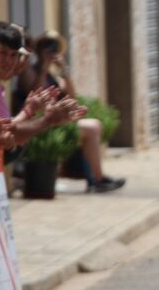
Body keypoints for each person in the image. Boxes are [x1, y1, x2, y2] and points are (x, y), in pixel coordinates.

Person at [17, 30, 125, 193]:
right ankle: (97, 179)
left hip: (55, 123)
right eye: (46, 46)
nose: (50, 50)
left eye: (53, 46)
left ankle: (95, 177)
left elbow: (72, 97)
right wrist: (43, 69)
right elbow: (33, 93)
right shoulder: (30, 72)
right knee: (92, 127)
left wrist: (64, 70)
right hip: (39, 123)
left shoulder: (54, 76)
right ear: (38, 50)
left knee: (93, 126)